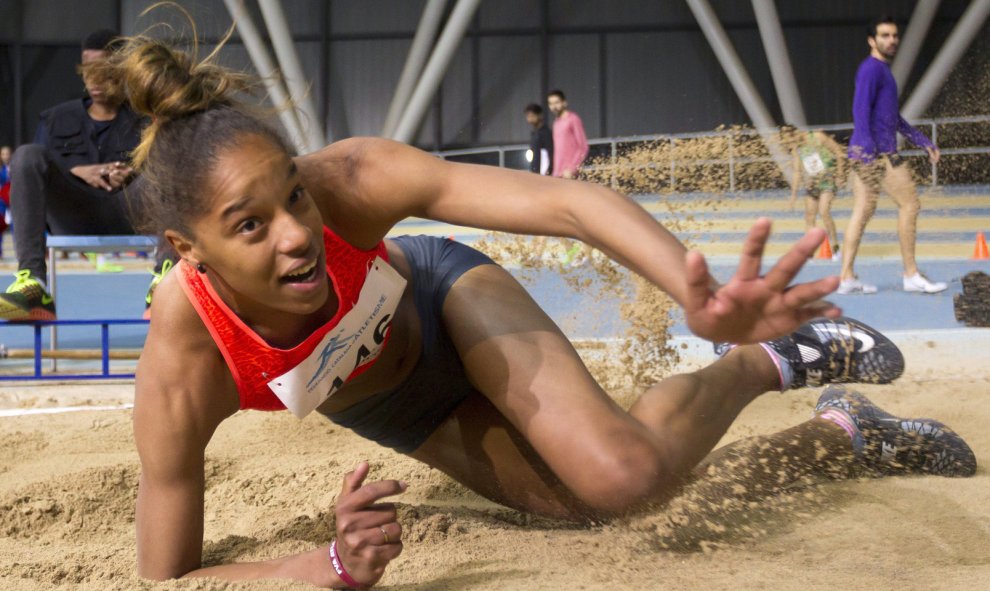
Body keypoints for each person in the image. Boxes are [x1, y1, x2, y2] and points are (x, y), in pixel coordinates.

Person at [121, 37, 975, 588]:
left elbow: (568, 204)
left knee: (624, 473)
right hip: (400, 408)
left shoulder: (347, 181)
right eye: (250, 225)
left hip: (443, 301)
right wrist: (326, 565)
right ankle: (843, 431)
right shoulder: (186, 364)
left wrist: (693, 291)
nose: (298, 235)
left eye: (293, 198)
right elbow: (171, 578)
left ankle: (770, 359)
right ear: (188, 248)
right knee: (597, 510)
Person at [0, 29, 146, 320]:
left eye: (102, 70)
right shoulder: (56, 119)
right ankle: (32, 284)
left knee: (167, 165)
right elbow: (36, 174)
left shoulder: (144, 120)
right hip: (72, 213)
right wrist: (77, 171)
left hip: (128, 213)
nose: (93, 79)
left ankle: (165, 283)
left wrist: (132, 175)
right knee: (27, 155)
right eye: (87, 70)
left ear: (122, 69)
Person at [839, 16, 946, 295]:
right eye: (885, 35)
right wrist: (867, 154)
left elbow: (892, 118)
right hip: (875, 153)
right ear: (872, 40)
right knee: (910, 205)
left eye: (895, 35)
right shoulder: (871, 70)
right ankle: (911, 274)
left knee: (862, 211)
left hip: (867, 151)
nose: (892, 40)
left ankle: (846, 277)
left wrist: (923, 141)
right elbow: (860, 111)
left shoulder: (883, 72)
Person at [783, 126, 846, 261]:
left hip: (828, 181)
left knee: (824, 212)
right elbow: (797, 172)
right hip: (813, 183)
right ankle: (808, 251)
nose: (792, 144)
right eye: (789, 143)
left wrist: (840, 174)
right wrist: (793, 196)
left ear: (796, 133)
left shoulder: (817, 136)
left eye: (792, 140)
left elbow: (838, 151)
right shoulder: (797, 149)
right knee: (809, 216)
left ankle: (835, 249)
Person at [547, 90, 588, 179]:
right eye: (551, 104)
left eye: (557, 102)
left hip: (570, 174)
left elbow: (583, 147)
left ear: (564, 103)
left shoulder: (573, 119)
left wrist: (572, 168)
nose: (554, 106)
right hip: (558, 174)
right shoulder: (556, 123)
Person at [524, 103, 553, 175]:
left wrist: (549, 169)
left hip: (544, 172)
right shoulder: (534, 133)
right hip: (535, 170)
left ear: (539, 115)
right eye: (528, 116)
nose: (530, 118)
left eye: (532, 116)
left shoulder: (546, 132)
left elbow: (550, 152)